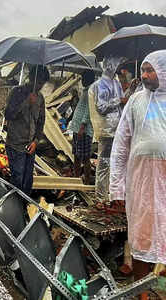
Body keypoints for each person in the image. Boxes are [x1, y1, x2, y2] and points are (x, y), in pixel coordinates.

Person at [110, 50, 166, 300]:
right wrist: (116, 187)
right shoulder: (135, 101)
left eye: (149, 70)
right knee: (141, 237)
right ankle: (141, 292)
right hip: (141, 180)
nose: (144, 75)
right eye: (143, 70)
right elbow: (121, 145)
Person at [88, 57, 128, 203]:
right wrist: (119, 100)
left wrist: (131, 90)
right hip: (106, 131)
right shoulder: (99, 86)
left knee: (114, 164)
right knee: (104, 165)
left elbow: (123, 103)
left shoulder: (116, 83)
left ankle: (110, 196)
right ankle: (100, 199)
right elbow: (101, 107)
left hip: (117, 130)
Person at [5, 65, 48, 196]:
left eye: (43, 83)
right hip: (15, 144)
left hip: (30, 146)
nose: (40, 86)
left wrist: (36, 141)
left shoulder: (40, 98)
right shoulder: (16, 92)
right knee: (17, 180)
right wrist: (26, 103)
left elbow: (41, 122)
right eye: (39, 82)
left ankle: (24, 208)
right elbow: (8, 114)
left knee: (27, 182)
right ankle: (13, 209)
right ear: (31, 78)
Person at [69, 70, 96, 184]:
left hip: (83, 130)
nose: (82, 81)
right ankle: (76, 179)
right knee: (76, 155)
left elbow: (89, 111)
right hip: (77, 128)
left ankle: (87, 182)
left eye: (83, 78)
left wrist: (82, 127)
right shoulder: (86, 91)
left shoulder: (90, 91)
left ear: (88, 79)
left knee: (84, 158)